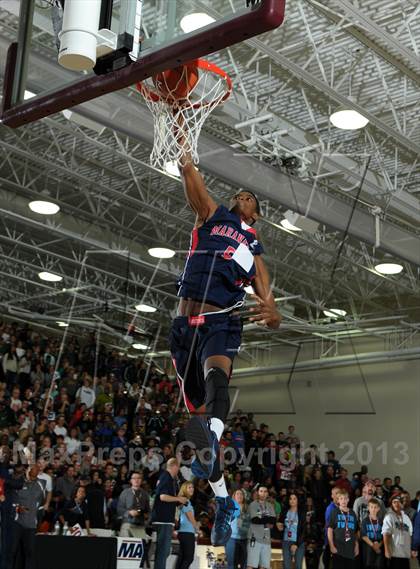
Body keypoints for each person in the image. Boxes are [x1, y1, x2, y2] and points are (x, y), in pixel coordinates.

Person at [171, 150, 281, 546]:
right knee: (197, 427)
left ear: (256, 215)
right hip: (184, 325)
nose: (243, 195)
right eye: (240, 193)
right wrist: (185, 157)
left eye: (250, 197)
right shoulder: (213, 215)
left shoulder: (252, 245)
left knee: (217, 379)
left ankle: (215, 433)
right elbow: (192, 183)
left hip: (222, 321)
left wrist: (272, 313)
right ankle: (224, 502)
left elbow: (268, 300)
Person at [152, 458, 187, 569]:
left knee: (165, 550)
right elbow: (162, 497)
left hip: (166, 519)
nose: (179, 470)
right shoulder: (166, 477)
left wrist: (178, 502)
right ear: (174, 466)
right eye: (178, 467)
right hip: (163, 519)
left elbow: (168, 498)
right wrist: (178, 499)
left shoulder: (169, 479)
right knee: (163, 550)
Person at [10, 464, 44, 569]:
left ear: (38, 471)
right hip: (17, 522)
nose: (34, 470)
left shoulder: (41, 484)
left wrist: (38, 519)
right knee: (12, 551)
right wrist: (16, 508)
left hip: (31, 525)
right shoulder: (18, 482)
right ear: (27, 470)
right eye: (31, 468)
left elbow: (41, 502)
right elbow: (10, 500)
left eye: (36, 468)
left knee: (30, 553)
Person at [382, 494, 417, 568]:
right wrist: (386, 550)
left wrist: (411, 550)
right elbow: (386, 534)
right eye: (394, 502)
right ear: (391, 504)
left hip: (405, 553)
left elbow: (410, 535)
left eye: (398, 502)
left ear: (402, 504)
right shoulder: (389, 516)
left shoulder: (406, 518)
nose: (396, 504)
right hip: (394, 554)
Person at [327, 489, 359, 569]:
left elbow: (355, 532)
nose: (343, 500)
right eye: (341, 498)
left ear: (348, 499)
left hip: (350, 548)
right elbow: (330, 530)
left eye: (345, 498)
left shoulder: (352, 513)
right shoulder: (334, 512)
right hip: (338, 548)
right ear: (338, 500)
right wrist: (331, 545)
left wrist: (357, 545)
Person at [247, 486, 276, 569]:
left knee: (264, 566)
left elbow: (273, 520)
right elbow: (255, 520)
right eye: (261, 491)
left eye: (265, 491)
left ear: (267, 493)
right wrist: (267, 520)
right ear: (257, 493)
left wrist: (263, 519)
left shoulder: (270, 505)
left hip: (266, 539)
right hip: (254, 539)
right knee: (251, 565)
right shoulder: (253, 505)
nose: (263, 493)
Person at [117, 471, 150, 538]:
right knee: (126, 545)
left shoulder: (145, 494)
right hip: (127, 523)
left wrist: (146, 515)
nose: (136, 480)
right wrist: (129, 512)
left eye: (138, 478)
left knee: (141, 546)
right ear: (131, 480)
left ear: (141, 480)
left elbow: (148, 510)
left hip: (140, 525)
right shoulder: (125, 492)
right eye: (134, 478)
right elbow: (119, 509)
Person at [278, 492, 306, 569]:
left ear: (298, 500)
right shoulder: (285, 511)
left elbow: (304, 530)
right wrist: (279, 526)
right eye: (290, 499)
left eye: (294, 499)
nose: (292, 501)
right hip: (286, 541)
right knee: (286, 566)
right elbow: (280, 524)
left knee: (298, 566)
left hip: (299, 542)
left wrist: (296, 544)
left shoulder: (302, 512)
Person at [175, 482, 200, 569]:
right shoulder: (186, 501)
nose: (192, 489)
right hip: (187, 533)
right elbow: (191, 518)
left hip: (183, 533)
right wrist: (198, 529)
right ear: (184, 489)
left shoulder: (183, 500)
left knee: (182, 558)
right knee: (189, 558)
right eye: (189, 487)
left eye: (192, 487)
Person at [225, 489, 250, 569]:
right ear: (234, 496)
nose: (239, 495)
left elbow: (250, 523)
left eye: (241, 494)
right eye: (237, 494)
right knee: (232, 564)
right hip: (231, 539)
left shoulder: (247, 508)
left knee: (244, 564)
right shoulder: (229, 508)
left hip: (244, 539)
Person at [361, 497, 384, 569]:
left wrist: (379, 545)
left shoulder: (382, 521)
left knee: (379, 565)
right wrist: (373, 546)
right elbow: (363, 536)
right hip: (368, 547)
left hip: (379, 547)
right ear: (368, 508)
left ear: (378, 508)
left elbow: (385, 536)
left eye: (375, 507)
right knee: (368, 565)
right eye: (371, 507)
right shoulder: (365, 521)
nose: (373, 509)